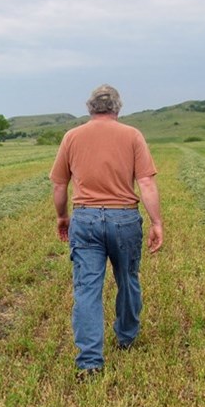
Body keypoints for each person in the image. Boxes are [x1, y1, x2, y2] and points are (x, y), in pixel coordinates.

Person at [49, 84, 163, 380]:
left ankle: (89, 362)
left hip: (85, 220)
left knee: (87, 288)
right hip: (124, 218)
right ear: (117, 108)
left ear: (90, 108)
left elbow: (60, 185)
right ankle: (126, 337)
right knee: (127, 278)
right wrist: (157, 223)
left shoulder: (72, 137)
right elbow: (147, 184)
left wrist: (62, 217)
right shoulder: (132, 136)